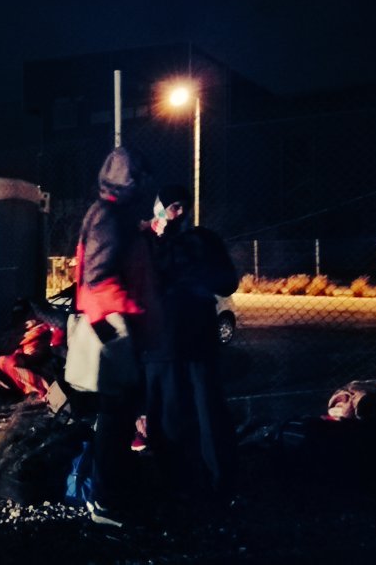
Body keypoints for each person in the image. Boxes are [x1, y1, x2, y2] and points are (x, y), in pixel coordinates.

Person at [74, 147, 156, 527]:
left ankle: (112, 493)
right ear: (128, 182)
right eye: (138, 177)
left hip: (112, 325)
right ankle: (104, 502)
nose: (143, 184)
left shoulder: (110, 214)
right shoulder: (108, 217)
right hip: (113, 328)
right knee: (114, 417)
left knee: (118, 417)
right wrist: (129, 318)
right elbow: (99, 277)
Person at [142, 184, 239, 506]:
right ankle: (211, 481)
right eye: (174, 205)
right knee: (199, 408)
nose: (179, 212)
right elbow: (227, 282)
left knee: (184, 411)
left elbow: (227, 283)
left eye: (182, 205)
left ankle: (187, 482)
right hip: (186, 337)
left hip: (171, 340)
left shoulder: (157, 243)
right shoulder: (197, 240)